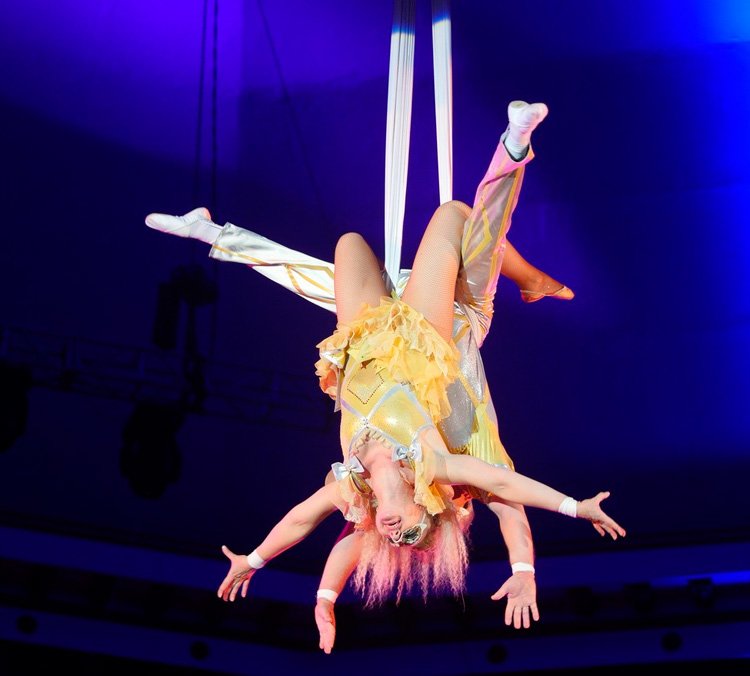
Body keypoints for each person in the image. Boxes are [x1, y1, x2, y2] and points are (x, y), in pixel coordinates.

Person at [145, 102, 593, 638]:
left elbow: (319, 527)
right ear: (438, 506)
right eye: (416, 533)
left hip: (378, 332)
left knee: (341, 254)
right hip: (447, 322)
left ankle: (211, 233)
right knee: (465, 224)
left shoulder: (357, 488)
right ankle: (516, 151)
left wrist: (305, 588)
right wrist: (542, 549)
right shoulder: (451, 467)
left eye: (394, 539)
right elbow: (507, 495)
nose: (397, 534)